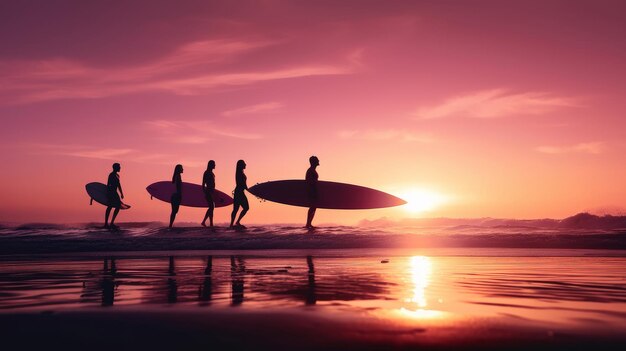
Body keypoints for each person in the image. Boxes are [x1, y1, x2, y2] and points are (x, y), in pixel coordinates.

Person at [230, 160, 249, 228]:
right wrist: (249, 189)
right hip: (239, 193)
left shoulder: (240, 172)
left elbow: (244, 184)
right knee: (243, 208)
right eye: (244, 163)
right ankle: (234, 223)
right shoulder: (239, 173)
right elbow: (242, 184)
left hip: (239, 192)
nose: (245, 164)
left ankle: (234, 223)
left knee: (239, 209)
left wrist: (247, 189)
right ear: (241, 165)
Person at [105, 163, 124, 230]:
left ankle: (111, 223)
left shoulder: (117, 175)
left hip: (115, 193)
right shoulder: (111, 175)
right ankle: (106, 224)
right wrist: (107, 193)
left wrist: (121, 193)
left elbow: (119, 185)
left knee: (117, 206)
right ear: (115, 167)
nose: (120, 168)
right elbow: (108, 184)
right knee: (110, 206)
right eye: (119, 167)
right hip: (111, 192)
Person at [305, 156, 319, 229]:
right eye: (317, 160)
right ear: (314, 162)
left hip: (313, 191)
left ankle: (309, 223)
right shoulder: (310, 171)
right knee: (312, 207)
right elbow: (309, 182)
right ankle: (308, 223)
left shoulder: (312, 170)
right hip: (312, 191)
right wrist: (312, 191)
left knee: (314, 207)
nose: (318, 161)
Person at [201, 160, 216, 228]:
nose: (215, 165)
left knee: (211, 207)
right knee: (211, 207)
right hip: (208, 192)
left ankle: (210, 223)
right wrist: (205, 192)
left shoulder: (211, 173)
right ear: (210, 165)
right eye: (214, 164)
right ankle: (205, 222)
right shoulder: (206, 172)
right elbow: (203, 184)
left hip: (212, 192)